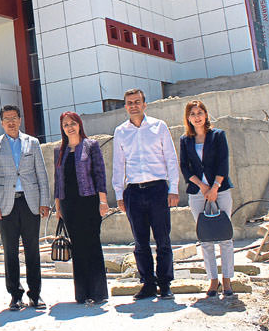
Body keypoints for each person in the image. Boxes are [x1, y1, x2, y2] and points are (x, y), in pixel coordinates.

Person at [112, 89, 179, 300]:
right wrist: (119, 194)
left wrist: (174, 188)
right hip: (133, 192)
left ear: (144, 104)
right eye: (130, 103)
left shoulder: (159, 126)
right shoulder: (120, 132)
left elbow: (170, 158)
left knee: (163, 239)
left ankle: (165, 284)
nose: (134, 106)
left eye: (137, 102)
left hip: (158, 189)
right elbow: (118, 164)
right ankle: (148, 284)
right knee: (140, 242)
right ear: (125, 107)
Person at [0, 105, 50, 310]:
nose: (11, 122)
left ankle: (35, 294)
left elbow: (41, 174)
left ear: (20, 120)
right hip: (6, 205)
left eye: (14, 117)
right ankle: (15, 295)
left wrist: (44, 201)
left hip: (30, 202)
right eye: (7, 119)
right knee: (10, 251)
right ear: (1, 123)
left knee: (33, 250)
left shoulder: (32, 143)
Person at [179, 100, 235, 297]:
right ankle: (213, 281)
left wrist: (215, 187)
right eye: (192, 114)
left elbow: (223, 162)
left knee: (225, 237)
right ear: (188, 118)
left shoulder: (217, 135)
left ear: (206, 114)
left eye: (199, 112)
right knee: (205, 238)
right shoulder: (185, 140)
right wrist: (202, 186)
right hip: (197, 193)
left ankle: (227, 280)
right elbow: (185, 167)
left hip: (220, 190)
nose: (197, 117)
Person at [53, 111, 109, 304]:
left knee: (92, 244)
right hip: (69, 204)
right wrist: (58, 207)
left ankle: (98, 292)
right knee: (77, 246)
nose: (70, 127)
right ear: (62, 128)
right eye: (66, 124)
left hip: (89, 201)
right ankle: (82, 293)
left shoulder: (91, 146)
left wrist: (103, 201)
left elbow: (100, 174)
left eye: (73, 123)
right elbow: (57, 180)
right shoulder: (59, 151)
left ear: (79, 125)